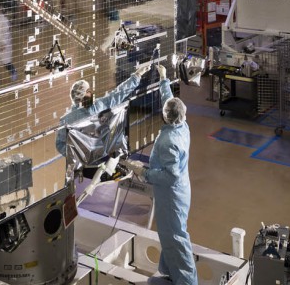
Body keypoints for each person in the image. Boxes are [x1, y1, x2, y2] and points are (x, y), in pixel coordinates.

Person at [127, 63, 198, 285]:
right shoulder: (181, 126)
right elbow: (170, 103)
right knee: (170, 236)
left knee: (175, 238)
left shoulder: (169, 141)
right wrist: (164, 79)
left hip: (171, 196)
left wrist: (144, 172)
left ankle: (186, 282)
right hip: (180, 192)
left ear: (166, 116)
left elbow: (170, 176)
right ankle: (169, 274)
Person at [55, 60, 153, 159]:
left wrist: (77, 156)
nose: (91, 92)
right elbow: (118, 93)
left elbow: (60, 144)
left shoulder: (65, 120)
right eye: (89, 91)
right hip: (104, 157)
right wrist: (137, 75)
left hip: (82, 163)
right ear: (84, 95)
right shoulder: (98, 107)